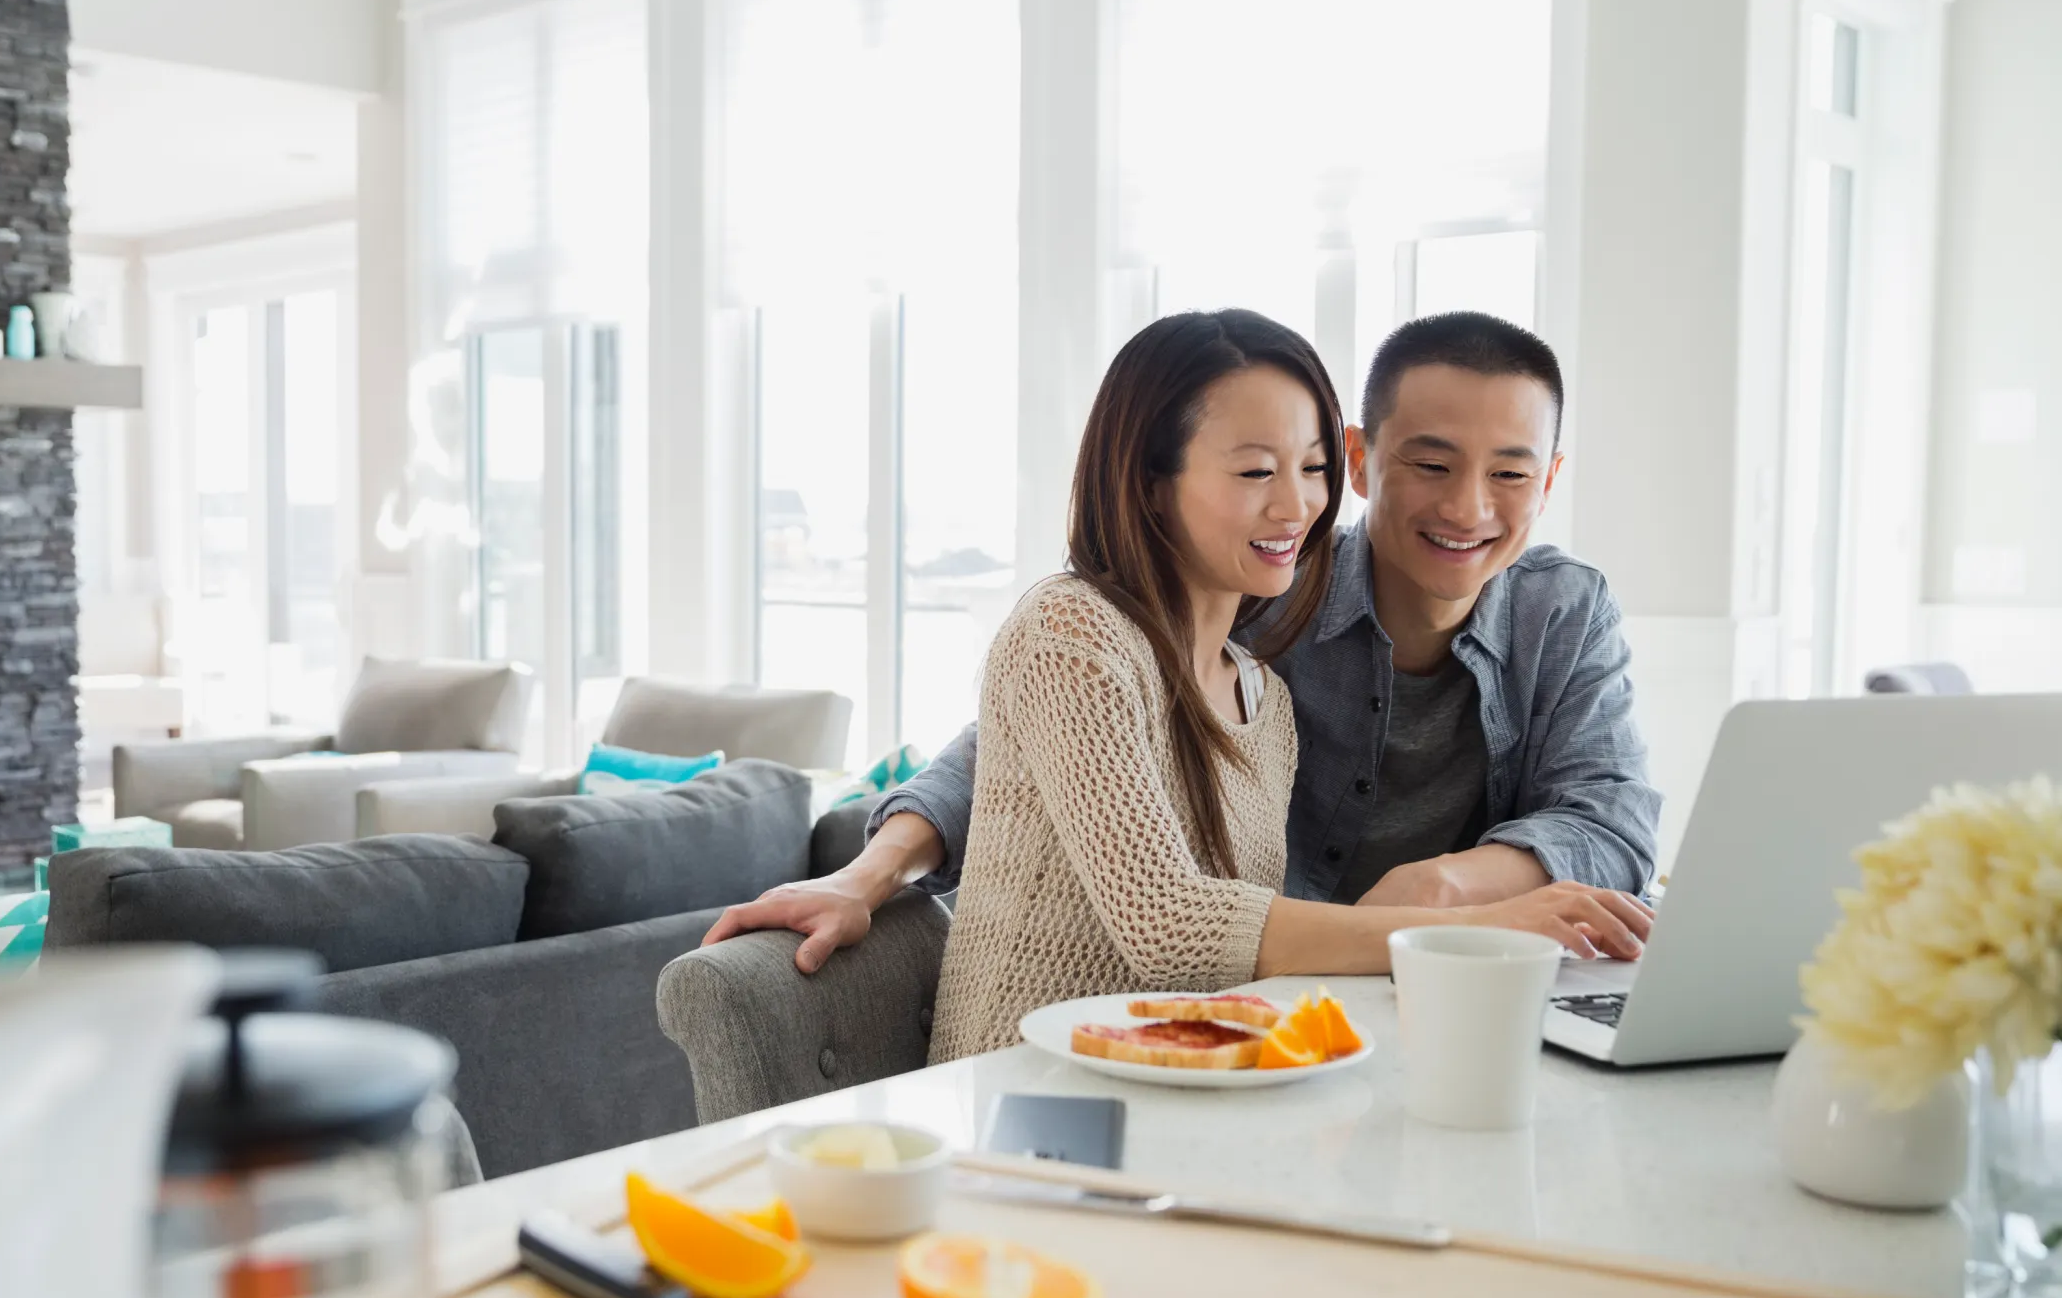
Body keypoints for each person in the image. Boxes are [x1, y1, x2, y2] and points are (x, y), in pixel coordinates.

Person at [705, 308, 1661, 983]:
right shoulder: (1261, 579)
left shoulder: (1561, 612)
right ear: (1368, 460)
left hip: (1380, 1001)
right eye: (1432, 464)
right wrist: (868, 873)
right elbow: (1033, 734)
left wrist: (1453, 890)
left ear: (1550, 479)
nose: (1468, 508)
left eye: (1510, 473)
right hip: (1236, 1008)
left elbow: (1611, 820)